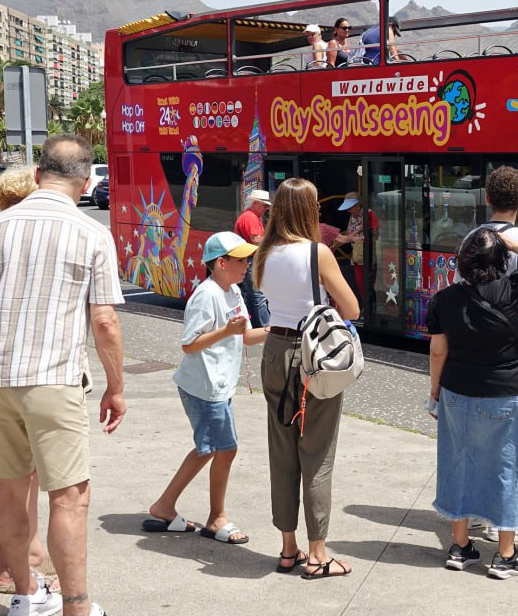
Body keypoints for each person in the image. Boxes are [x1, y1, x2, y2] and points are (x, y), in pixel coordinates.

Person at [0, 134, 138, 616]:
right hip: (53, 377)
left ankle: (26, 593)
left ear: (38, 175)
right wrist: (117, 387)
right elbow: (104, 322)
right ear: (87, 181)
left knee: (11, 489)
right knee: (69, 495)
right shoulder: (90, 233)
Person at [429, 228, 518, 579]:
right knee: (504, 468)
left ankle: (460, 547)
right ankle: (505, 554)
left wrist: (435, 393)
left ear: (463, 262)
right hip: (505, 394)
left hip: (456, 392)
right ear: (502, 260)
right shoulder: (516, 287)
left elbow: (438, 351)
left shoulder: (443, 299)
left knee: (456, 463)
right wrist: (516, 244)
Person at [254, 177, 361, 578]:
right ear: (308, 211)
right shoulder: (318, 253)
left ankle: (288, 548)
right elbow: (352, 308)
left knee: (282, 451)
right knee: (317, 452)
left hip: (275, 351)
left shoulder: (265, 253)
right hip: (312, 353)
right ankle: (318, 554)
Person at [144, 232, 270, 545]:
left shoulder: (234, 291)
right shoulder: (206, 295)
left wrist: (275, 330)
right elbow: (189, 344)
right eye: (240, 259)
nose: (246, 264)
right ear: (221, 263)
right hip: (204, 386)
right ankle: (215, 518)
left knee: (212, 448)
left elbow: (244, 336)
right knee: (223, 448)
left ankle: (166, 505)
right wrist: (226, 330)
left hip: (217, 385)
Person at [453, 165, 518, 543]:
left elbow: (460, 291)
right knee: (509, 437)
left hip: (473, 343)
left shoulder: (470, 239)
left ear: (487, 198)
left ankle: (476, 513)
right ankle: (504, 519)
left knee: (476, 437)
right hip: (515, 343)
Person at [0, 164, 55, 596]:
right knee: (27, 479)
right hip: (36, 374)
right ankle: (19, 566)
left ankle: (19, 561)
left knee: (10, 481)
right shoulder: (37, 246)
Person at [235, 189, 272, 326]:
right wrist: (273, 238)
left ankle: (251, 325)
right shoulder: (251, 217)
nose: (266, 208)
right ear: (255, 203)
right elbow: (256, 240)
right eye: (264, 205)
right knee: (258, 295)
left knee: (250, 294)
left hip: (248, 259)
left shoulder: (248, 216)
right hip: (252, 259)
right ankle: (265, 327)